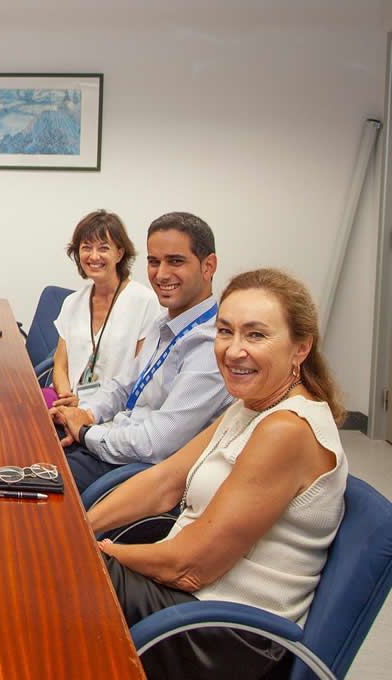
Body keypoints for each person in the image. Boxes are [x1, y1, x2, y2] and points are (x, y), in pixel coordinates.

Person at [87, 268, 348, 679]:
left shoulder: (287, 429)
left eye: (255, 335)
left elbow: (189, 567)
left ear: (300, 348)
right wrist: (78, 528)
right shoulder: (249, 406)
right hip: (186, 604)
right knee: (45, 566)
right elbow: (165, 482)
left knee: (54, 581)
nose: (233, 350)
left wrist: (96, 554)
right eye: (225, 331)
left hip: (222, 636)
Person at [51, 212, 233, 492]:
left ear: (208, 266)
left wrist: (86, 432)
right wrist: (86, 414)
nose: (161, 274)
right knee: (18, 450)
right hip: (109, 442)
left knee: (25, 488)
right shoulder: (164, 323)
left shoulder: (211, 346)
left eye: (175, 261)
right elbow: (123, 386)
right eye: (153, 261)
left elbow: (156, 443)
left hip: (129, 471)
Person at [48, 210, 162, 408]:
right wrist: (67, 399)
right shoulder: (72, 303)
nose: (93, 256)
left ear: (119, 253)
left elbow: (141, 375)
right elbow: (60, 365)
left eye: (103, 248)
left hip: (113, 412)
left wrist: (84, 407)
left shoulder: (144, 301)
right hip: (68, 402)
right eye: (86, 248)